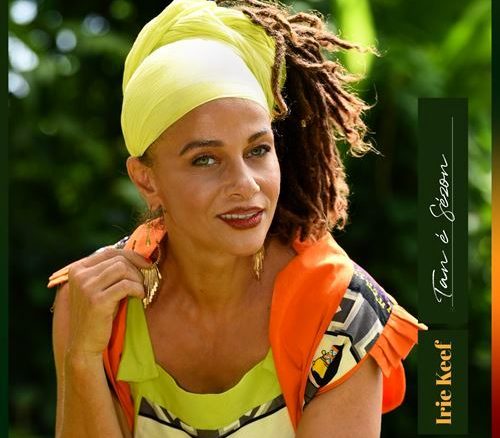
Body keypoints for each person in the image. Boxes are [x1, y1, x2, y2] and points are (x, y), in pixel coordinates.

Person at [48, 0, 426, 436]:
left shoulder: (340, 313)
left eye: (258, 150)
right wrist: (82, 357)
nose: (245, 185)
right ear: (146, 180)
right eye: (205, 159)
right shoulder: (93, 305)